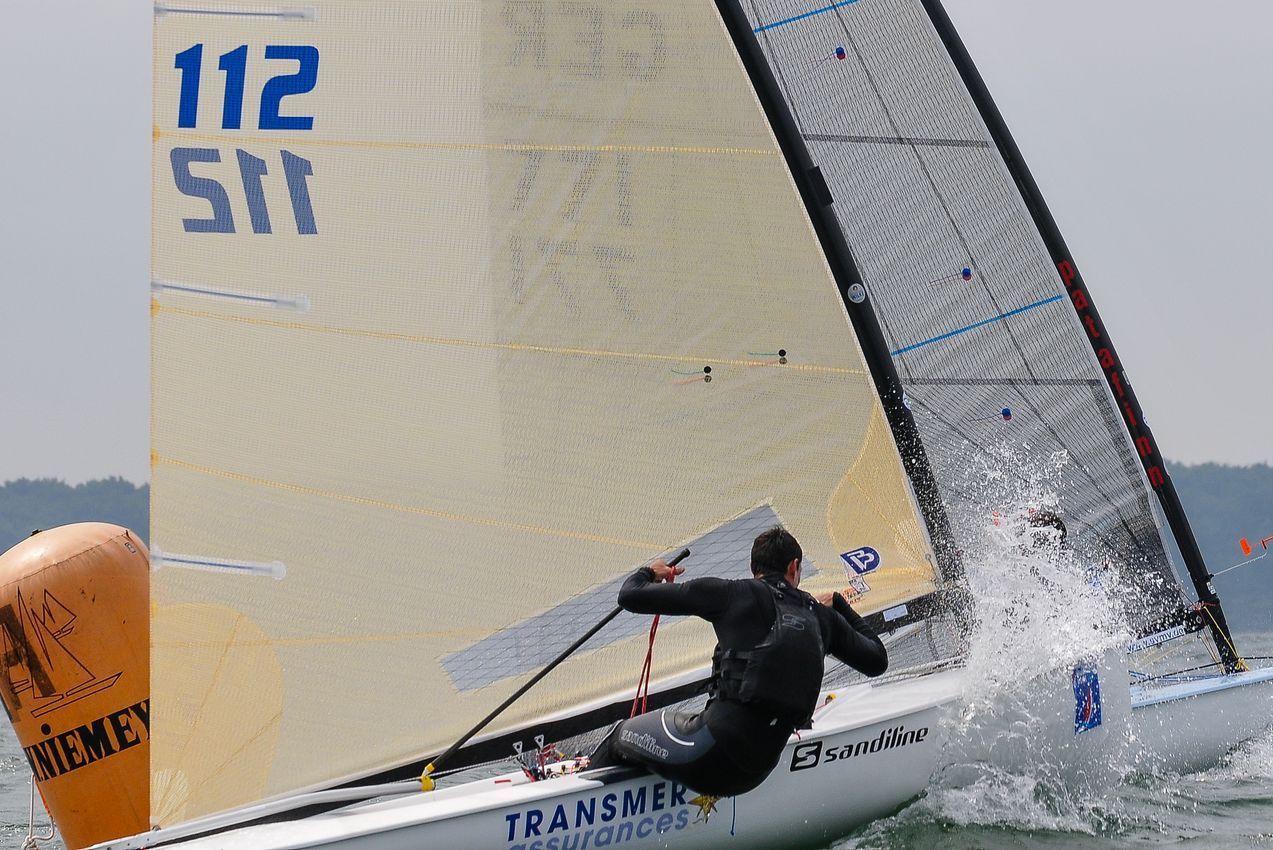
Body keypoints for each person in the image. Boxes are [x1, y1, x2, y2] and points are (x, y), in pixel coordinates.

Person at [589, 526, 888, 797]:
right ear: (794, 567)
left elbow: (629, 595)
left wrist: (649, 572)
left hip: (705, 755)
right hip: (756, 772)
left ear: (753, 568)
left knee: (620, 735)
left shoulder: (730, 593)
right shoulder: (822, 618)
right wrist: (839, 604)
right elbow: (877, 660)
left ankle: (581, 792)